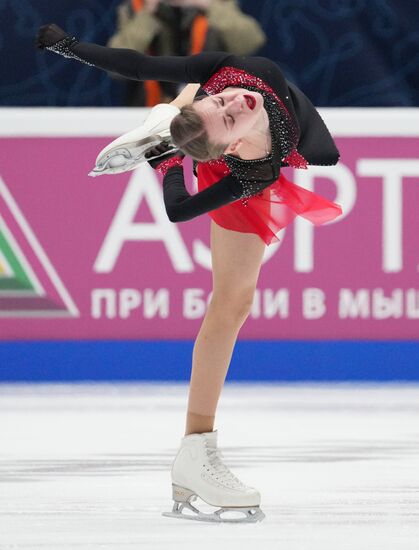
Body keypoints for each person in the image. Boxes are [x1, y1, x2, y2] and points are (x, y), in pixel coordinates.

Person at [36, 23, 343, 524]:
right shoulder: (253, 169)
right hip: (231, 158)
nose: (235, 103)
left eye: (222, 102)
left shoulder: (235, 78)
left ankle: (171, 119)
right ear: (227, 151)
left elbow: (141, 64)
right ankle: (197, 450)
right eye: (223, 114)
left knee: (237, 301)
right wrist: (165, 166)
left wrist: (70, 47)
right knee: (231, 305)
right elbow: (181, 210)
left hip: (219, 127)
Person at [107, 0, 266, 106]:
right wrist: (147, 14)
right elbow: (114, 67)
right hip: (149, 109)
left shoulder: (216, 4)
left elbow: (251, 42)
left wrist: (208, 5)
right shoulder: (135, 8)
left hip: (211, 106)